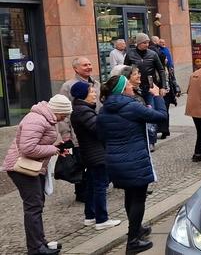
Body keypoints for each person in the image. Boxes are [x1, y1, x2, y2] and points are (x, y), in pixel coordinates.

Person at [97, 75, 168, 254]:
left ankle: (136, 230)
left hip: (114, 159)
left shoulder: (104, 110)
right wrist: (157, 96)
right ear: (122, 89)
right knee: (138, 198)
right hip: (134, 159)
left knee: (130, 196)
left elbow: (101, 136)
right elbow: (161, 116)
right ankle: (133, 241)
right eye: (128, 84)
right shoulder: (132, 106)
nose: (131, 86)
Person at [2, 95, 73, 255]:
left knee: (37, 205)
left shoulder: (46, 118)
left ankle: (40, 242)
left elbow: (38, 143)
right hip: (21, 169)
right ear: (58, 110)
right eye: (64, 114)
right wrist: (53, 149)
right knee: (33, 207)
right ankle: (35, 248)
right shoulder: (37, 119)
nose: (65, 117)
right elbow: (27, 148)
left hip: (32, 167)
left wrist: (56, 147)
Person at [70, 82, 121, 230]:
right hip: (96, 154)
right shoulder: (83, 111)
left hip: (91, 153)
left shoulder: (81, 109)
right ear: (83, 94)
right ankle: (102, 219)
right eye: (91, 91)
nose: (94, 94)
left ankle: (90, 216)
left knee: (92, 185)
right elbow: (98, 129)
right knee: (100, 186)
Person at [59, 57, 102, 202]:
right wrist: (65, 134)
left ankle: (92, 190)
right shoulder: (68, 86)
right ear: (76, 69)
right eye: (85, 65)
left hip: (95, 130)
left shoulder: (96, 84)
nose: (89, 67)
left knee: (94, 163)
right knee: (81, 163)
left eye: (90, 64)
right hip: (78, 132)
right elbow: (63, 112)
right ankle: (82, 193)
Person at [124, 33, 167, 151]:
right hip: (134, 88)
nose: (147, 45)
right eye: (144, 43)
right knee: (136, 113)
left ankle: (151, 140)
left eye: (148, 42)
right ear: (138, 43)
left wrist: (163, 86)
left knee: (150, 112)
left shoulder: (153, 54)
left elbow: (161, 70)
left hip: (149, 88)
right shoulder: (130, 54)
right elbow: (125, 71)